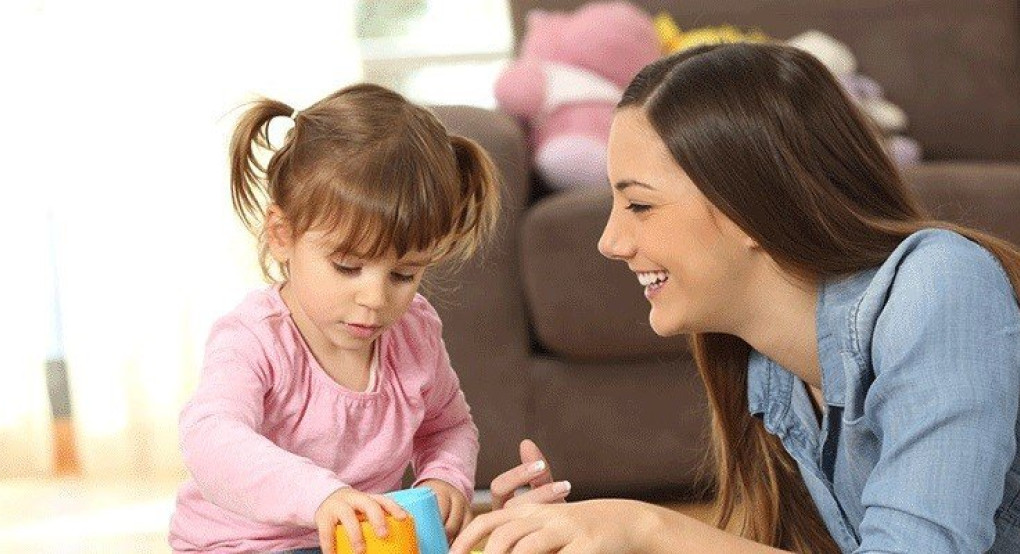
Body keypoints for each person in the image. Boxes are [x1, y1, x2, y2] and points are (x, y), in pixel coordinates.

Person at [450, 42, 1020, 553]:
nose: (611, 242)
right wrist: (584, 538)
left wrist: (650, 529)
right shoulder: (771, 374)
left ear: (751, 204)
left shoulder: (941, 287)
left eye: (640, 204)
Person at [169, 83, 501, 554]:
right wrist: (321, 497)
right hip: (242, 545)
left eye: (404, 274)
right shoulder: (254, 337)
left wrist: (444, 477)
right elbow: (210, 438)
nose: (375, 298)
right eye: (347, 266)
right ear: (282, 235)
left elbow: (447, 426)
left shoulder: (415, 332)